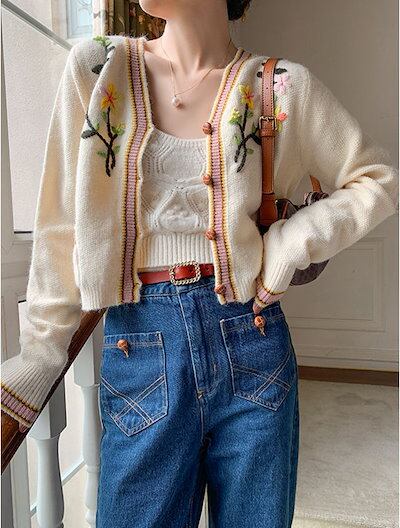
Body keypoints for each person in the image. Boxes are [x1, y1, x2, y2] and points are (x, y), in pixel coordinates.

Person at [1, 0, 398, 526]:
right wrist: (39, 354)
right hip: (139, 342)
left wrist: (290, 244)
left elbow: (377, 179)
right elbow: (60, 224)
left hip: (251, 339)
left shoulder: (281, 87)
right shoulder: (98, 67)